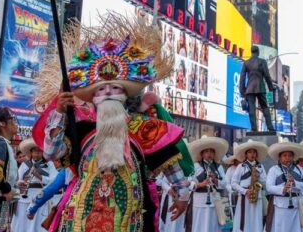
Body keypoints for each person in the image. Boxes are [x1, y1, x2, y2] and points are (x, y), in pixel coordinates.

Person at [32, 14, 194, 232]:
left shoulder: (143, 128)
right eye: (101, 88)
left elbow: (171, 167)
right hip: (82, 218)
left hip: (129, 220)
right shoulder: (81, 128)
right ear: (93, 97)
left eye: (115, 87)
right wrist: (60, 112)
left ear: (126, 94)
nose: (108, 91)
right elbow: (51, 153)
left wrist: (182, 194)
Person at [11, 138, 56, 232]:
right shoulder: (25, 165)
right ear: (31, 153)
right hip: (23, 199)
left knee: (36, 224)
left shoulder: (50, 164)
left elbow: (54, 181)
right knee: (21, 224)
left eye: (40, 151)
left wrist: (39, 176)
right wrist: (21, 182)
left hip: (40, 197)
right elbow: (16, 179)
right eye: (35, 151)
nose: (37, 153)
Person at [188, 136, 228, 232]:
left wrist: (215, 180)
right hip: (200, 201)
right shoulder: (196, 166)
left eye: (211, 151)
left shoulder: (218, 167)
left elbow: (224, 183)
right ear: (202, 154)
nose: (209, 154)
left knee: (212, 225)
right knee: (199, 224)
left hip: (214, 200)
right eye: (206, 151)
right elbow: (189, 182)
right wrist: (200, 184)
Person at [266, 141, 303, 231]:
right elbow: (269, 187)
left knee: (295, 228)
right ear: (280, 157)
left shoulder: (299, 170)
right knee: (281, 228)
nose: (287, 158)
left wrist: (295, 183)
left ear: (293, 157)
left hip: (296, 204)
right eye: (284, 155)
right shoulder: (274, 170)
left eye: (290, 155)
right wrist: (283, 189)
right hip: (281, 204)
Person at [230, 140, 268, 232]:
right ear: (246, 154)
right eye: (250, 152)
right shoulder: (241, 166)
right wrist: (244, 191)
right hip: (244, 197)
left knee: (256, 220)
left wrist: (259, 177)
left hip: (256, 196)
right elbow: (233, 183)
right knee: (244, 220)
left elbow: (266, 183)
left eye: (254, 152)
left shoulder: (260, 166)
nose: (252, 154)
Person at [239, 45, 276, 131]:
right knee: (265, 107)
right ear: (258, 52)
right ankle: (270, 128)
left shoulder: (246, 63)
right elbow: (267, 75)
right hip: (260, 87)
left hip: (250, 89)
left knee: (251, 109)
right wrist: (270, 87)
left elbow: (242, 78)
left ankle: (254, 129)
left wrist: (242, 91)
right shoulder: (262, 62)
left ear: (251, 52)